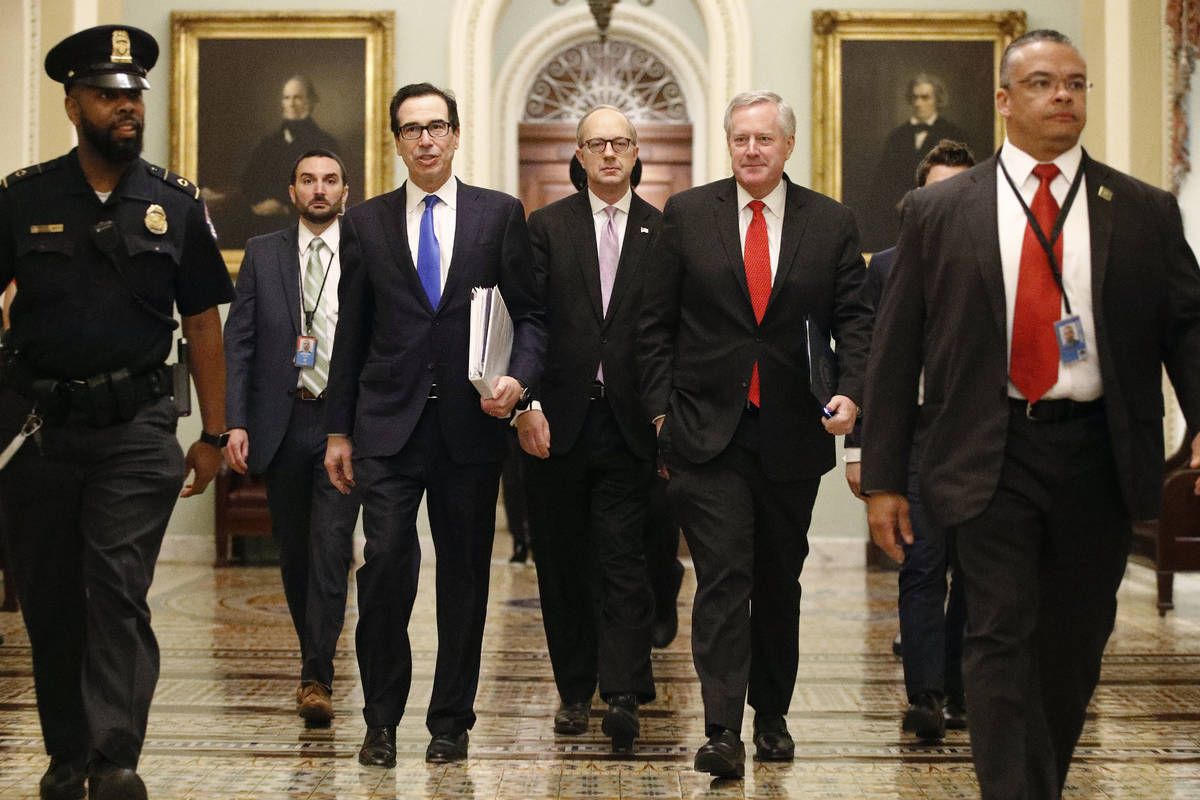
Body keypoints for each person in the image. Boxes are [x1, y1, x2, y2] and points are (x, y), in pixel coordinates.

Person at [863, 30, 1200, 800]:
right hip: (991, 449)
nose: (1064, 97)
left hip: (1099, 451)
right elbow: (896, 347)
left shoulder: (1143, 209)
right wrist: (882, 473)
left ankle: (1033, 782)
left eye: (1076, 84)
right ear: (1005, 101)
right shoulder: (939, 209)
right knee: (998, 632)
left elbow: (1188, 324)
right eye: (1045, 83)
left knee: (1074, 643)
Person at [0, 25, 233, 800]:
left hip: (137, 428)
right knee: (51, 598)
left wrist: (213, 431)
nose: (126, 110)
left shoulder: (174, 202)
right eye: (109, 96)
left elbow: (202, 321)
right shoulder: (23, 197)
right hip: (41, 429)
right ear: (73, 106)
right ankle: (68, 759)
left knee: (117, 588)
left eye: (134, 97)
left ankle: (114, 758)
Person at [638, 90, 873, 778]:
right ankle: (720, 730)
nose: (750, 150)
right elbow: (653, 325)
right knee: (721, 576)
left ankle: (771, 714)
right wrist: (661, 412)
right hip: (705, 434)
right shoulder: (688, 214)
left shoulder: (830, 223)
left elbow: (855, 322)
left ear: (787, 146)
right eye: (740, 138)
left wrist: (851, 392)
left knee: (777, 581)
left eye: (763, 139)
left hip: (792, 434)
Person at [323, 82, 545, 767]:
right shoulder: (365, 222)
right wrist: (338, 430)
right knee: (385, 563)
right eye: (412, 129)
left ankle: (451, 721)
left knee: (465, 579)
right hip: (386, 425)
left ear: (455, 136)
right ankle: (381, 720)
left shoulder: (499, 215)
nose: (425, 139)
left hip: (471, 429)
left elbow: (532, 315)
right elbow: (350, 335)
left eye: (437, 127)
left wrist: (521, 381)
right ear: (396, 141)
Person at [516, 105, 660, 752]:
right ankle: (576, 690)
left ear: (635, 153)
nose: (608, 154)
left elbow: (671, 332)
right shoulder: (545, 228)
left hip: (631, 423)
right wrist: (528, 405)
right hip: (557, 422)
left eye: (620, 143)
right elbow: (527, 322)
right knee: (563, 562)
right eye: (595, 144)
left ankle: (623, 690)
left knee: (625, 559)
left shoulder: (665, 231)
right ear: (577, 155)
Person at [222, 149, 360, 728]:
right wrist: (235, 421)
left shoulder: (365, 251)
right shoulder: (263, 253)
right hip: (281, 423)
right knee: (297, 552)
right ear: (293, 189)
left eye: (330, 181)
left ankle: (317, 675)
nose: (319, 190)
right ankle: (316, 659)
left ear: (345, 191)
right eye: (309, 180)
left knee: (331, 547)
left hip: (341, 425)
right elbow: (240, 341)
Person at [846, 139, 976, 741]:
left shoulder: (996, 259)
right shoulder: (888, 266)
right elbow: (877, 365)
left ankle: (959, 689)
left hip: (981, 438)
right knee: (922, 566)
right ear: (918, 199)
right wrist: (864, 453)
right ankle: (924, 695)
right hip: (918, 438)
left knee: (974, 572)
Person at [868, 75, 970, 251]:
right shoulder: (896, 136)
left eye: (925, 97)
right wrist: (899, 202)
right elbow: (883, 180)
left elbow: (962, 182)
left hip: (941, 219)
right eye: (915, 97)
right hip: (900, 219)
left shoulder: (954, 133)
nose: (918, 103)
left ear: (937, 100)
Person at [237, 75, 342, 243]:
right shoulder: (268, 143)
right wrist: (259, 203)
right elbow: (248, 182)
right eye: (287, 98)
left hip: (306, 226)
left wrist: (284, 206)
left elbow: (331, 192)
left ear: (311, 101)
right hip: (264, 226)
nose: (291, 103)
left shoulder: (325, 143)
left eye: (298, 98)